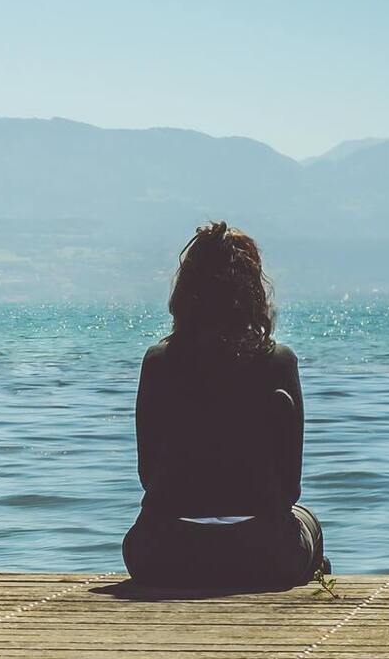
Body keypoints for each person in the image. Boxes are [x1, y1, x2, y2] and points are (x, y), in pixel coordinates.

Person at [122, 221, 328, 588]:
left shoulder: (158, 363)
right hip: (265, 554)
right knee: (308, 521)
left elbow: (147, 475)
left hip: (163, 552)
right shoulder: (279, 362)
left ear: (185, 293)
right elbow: (290, 488)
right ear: (253, 293)